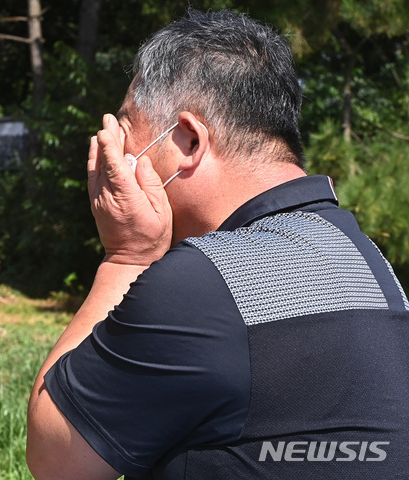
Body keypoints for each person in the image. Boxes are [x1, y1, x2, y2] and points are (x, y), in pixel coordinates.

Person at [26, 8, 409, 480]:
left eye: (126, 133)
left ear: (187, 140)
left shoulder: (203, 283)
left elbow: (57, 459)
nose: (116, 157)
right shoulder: (370, 263)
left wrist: (127, 257)